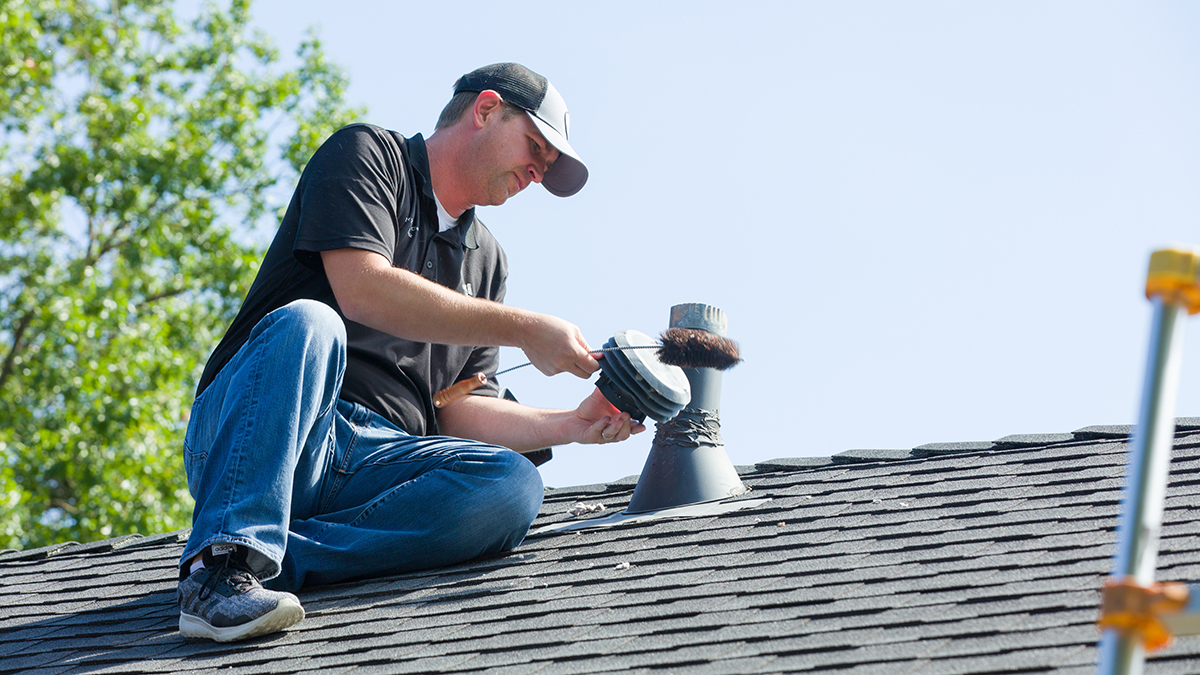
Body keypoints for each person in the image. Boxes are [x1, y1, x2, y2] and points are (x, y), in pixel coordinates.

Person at [176, 63, 645, 643]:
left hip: (380, 462)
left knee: (514, 484)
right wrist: (523, 328)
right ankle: (217, 571)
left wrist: (572, 424)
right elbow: (362, 287)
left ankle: (276, 558)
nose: (539, 171)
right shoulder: (368, 154)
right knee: (311, 322)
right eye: (536, 145)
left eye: (549, 164)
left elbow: (458, 411)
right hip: (272, 431)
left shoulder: (488, 261)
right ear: (486, 109)